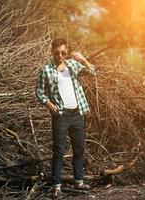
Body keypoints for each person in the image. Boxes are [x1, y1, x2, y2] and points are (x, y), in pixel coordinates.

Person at [35, 38, 95, 196]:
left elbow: (92, 71)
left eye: (63, 52)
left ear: (67, 51)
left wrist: (82, 59)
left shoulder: (73, 65)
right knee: (59, 151)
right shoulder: (46, 70)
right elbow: (39, 92)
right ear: (52, 51)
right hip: (61, 116)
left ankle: (79, 182)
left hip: (77, 113)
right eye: (57, 52)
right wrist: (48, 104)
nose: (60, 55)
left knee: (79, 148)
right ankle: (56, 185)